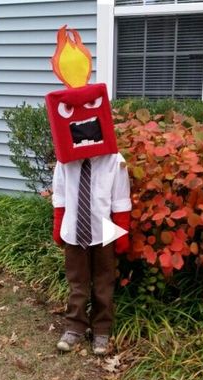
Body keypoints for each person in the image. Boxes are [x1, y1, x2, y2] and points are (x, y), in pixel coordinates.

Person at [45, 26, 132, 355]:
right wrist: (59, 221)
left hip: (104, 231)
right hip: (74, 231)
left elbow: (120, 196)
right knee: (78, 281)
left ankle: (102, 329)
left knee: (104, 282)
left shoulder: (113, 160)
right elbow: (62, 194)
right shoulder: (64, 161)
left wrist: (122, 229)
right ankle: (74, 326)